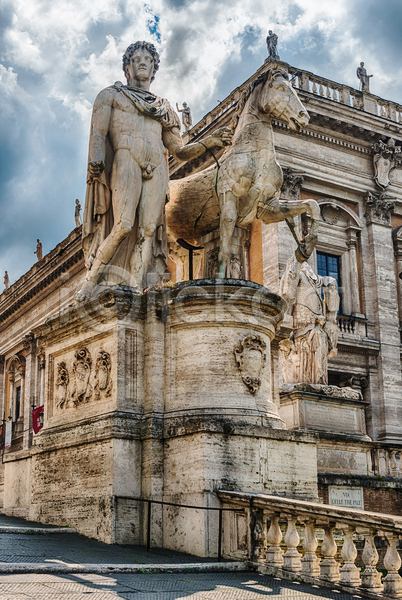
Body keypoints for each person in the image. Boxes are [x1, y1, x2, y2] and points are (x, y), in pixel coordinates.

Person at [78, 41, 232, 300]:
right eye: (136, 59)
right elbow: (98, 133)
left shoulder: (164, 107)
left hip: (158, 167)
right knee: (124, 225)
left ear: (153, 68)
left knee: (148, 231)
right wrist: (95, 160)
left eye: (147, 60)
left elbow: (179, 151)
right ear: (127, 67)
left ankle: (136, 290)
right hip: (127, 158)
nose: (142, 63)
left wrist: (211, 141)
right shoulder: (111, 96)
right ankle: (90, 282)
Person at [279, 255, 340, 385]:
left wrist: (330, 319)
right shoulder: (299, 275)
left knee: (319, 354)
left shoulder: (317, 280)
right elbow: (288, 293)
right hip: (302, 325)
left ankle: (317, 380)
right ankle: (312, 380)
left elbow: (330, 282)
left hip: (316, 324)